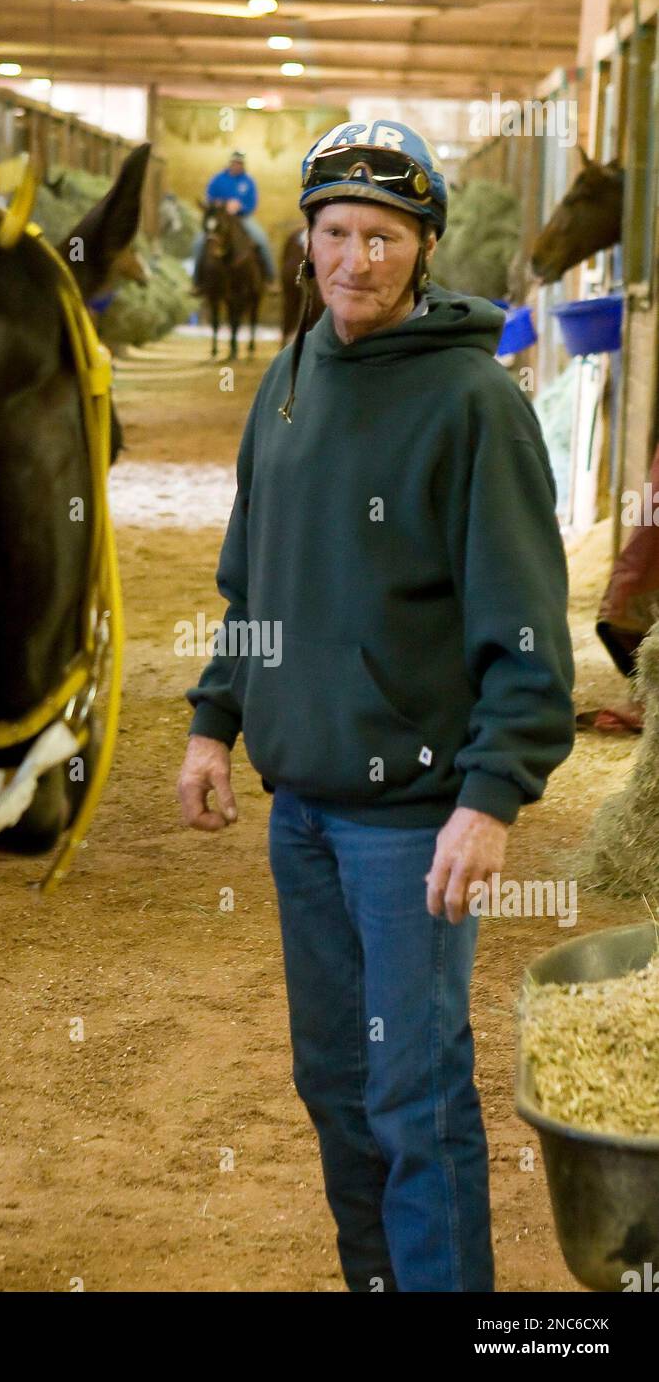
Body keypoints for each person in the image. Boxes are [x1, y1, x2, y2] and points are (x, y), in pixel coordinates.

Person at [177, 119, 575, 1292]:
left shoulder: (472, 404)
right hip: (300, 807)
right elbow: (250, 571)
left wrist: (490, 798)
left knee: (415, 1091)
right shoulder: (292, 377)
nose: (357, 259)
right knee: (337, 1086)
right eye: (337, 233)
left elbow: (525, 630)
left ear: (427, 245)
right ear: (304, 243)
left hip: (413, 821)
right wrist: (214, 719)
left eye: (385, 236)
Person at [191, 148, 277, 287]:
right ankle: (196, 282)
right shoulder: (218, 179)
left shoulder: (248, 181)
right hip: (220, 218)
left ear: (243, 165)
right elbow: (209, 199)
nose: (237, 165)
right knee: (198, 242)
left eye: (240, 163)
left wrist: (239, 207)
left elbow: (252, 203)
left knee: (261, 239)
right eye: (235, 163)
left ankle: (270, 278)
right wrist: (219, 204)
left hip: (242, 217)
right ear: (230, 163)